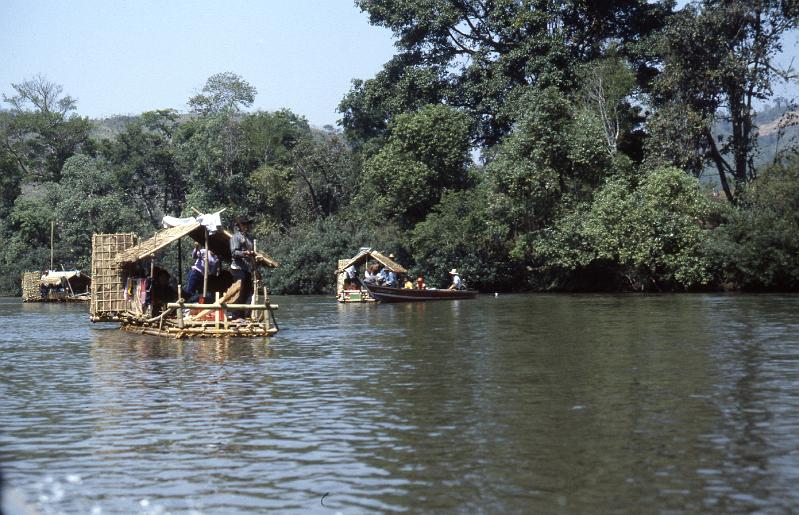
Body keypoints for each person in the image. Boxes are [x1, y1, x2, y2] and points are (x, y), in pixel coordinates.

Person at [229, 218, 256, 321]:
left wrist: (252, 255)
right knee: (239, 291)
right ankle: (236, 315)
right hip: (238, 268)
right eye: (244, 224)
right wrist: (245, 253)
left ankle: (246, 314)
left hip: (247, 268)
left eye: (247, 225)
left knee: (249, 292)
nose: (246, 226)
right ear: (239, 226)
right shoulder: (236, 237)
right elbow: (234, 253)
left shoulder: (249, 238)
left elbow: (252, 253)